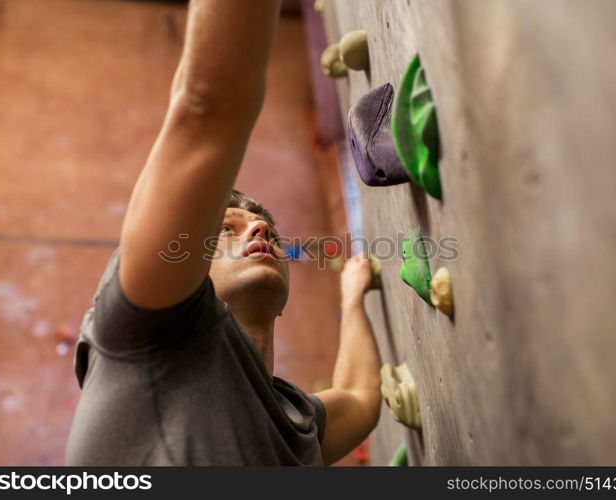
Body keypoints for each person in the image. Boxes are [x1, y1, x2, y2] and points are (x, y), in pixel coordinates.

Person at [65, 0, 381, 466]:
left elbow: (359, 398)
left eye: (264, 227)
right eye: (221, 232)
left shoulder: (290, 417)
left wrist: (352, 300)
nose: (257, 227)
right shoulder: (147, 334)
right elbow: (206, 107)